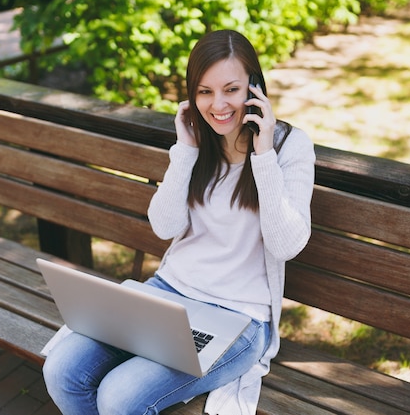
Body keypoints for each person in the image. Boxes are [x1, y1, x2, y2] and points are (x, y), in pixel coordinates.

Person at [42, 29, 315, 415]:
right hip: (168, 295)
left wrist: (263, 153)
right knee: (62, 370)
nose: (218, 104)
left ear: (254, 88)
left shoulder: (290, 147)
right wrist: (185, 151)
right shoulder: (198, 143)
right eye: (204, 91)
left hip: (239, 319)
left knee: (119, 398)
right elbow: (164, 227)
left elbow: (286, 244)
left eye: (231, 89)